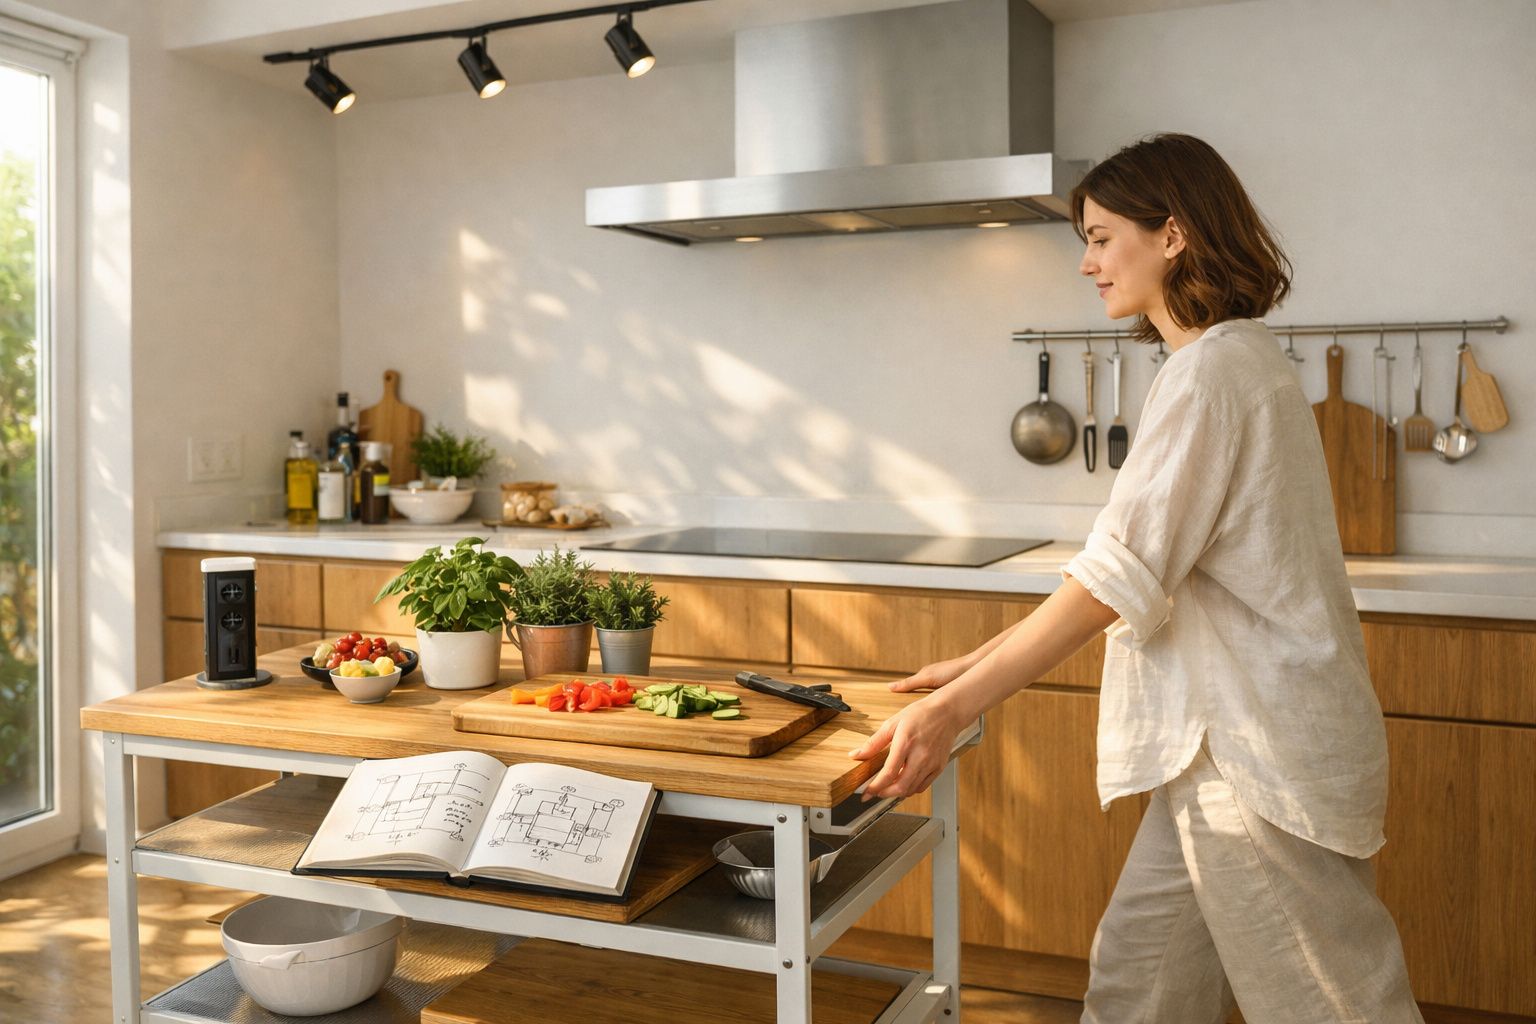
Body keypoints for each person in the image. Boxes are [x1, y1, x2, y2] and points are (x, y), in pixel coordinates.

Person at [849, 133, 1423, 1024]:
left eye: (1102, 235)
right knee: (1138, 985)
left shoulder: (1214, 374)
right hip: (1219, 749)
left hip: (1250, 757)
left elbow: (1117, 577)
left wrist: (959, 707)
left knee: (1331, 1004)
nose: (1086, 262)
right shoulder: (1229, 363)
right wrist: (972, 666)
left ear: (1174, 236)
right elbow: (1131, 565)